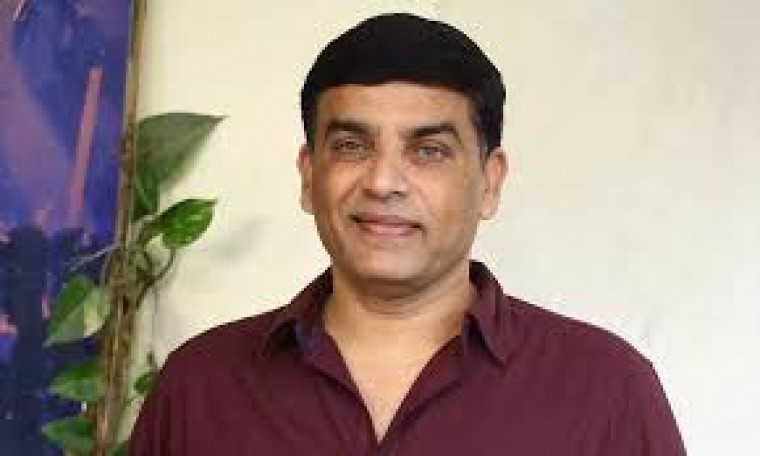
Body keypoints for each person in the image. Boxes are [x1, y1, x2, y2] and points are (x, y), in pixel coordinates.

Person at [129, 13, 686, 455]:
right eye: (352, 146)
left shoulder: (606, 391)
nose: (383, 181)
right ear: (309, 175)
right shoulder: (200, 388)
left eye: (429, 151)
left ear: (490, 181)